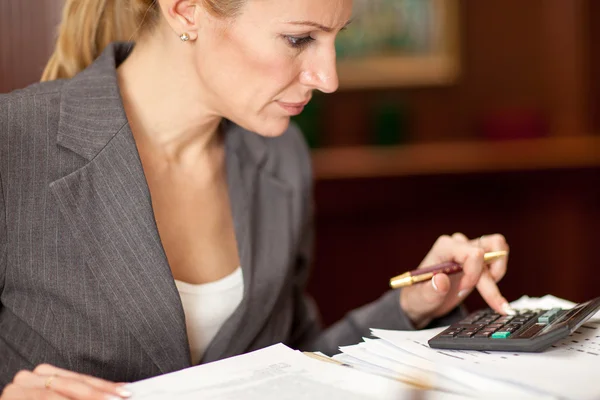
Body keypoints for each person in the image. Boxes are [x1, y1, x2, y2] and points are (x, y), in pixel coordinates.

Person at [0, 0, 512, 398]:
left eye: (334, 39)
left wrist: (411, 305)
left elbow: (292, 362)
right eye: (298, 39)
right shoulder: (14, 145)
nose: (328, 78)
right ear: (184, 9)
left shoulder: (282, 157)